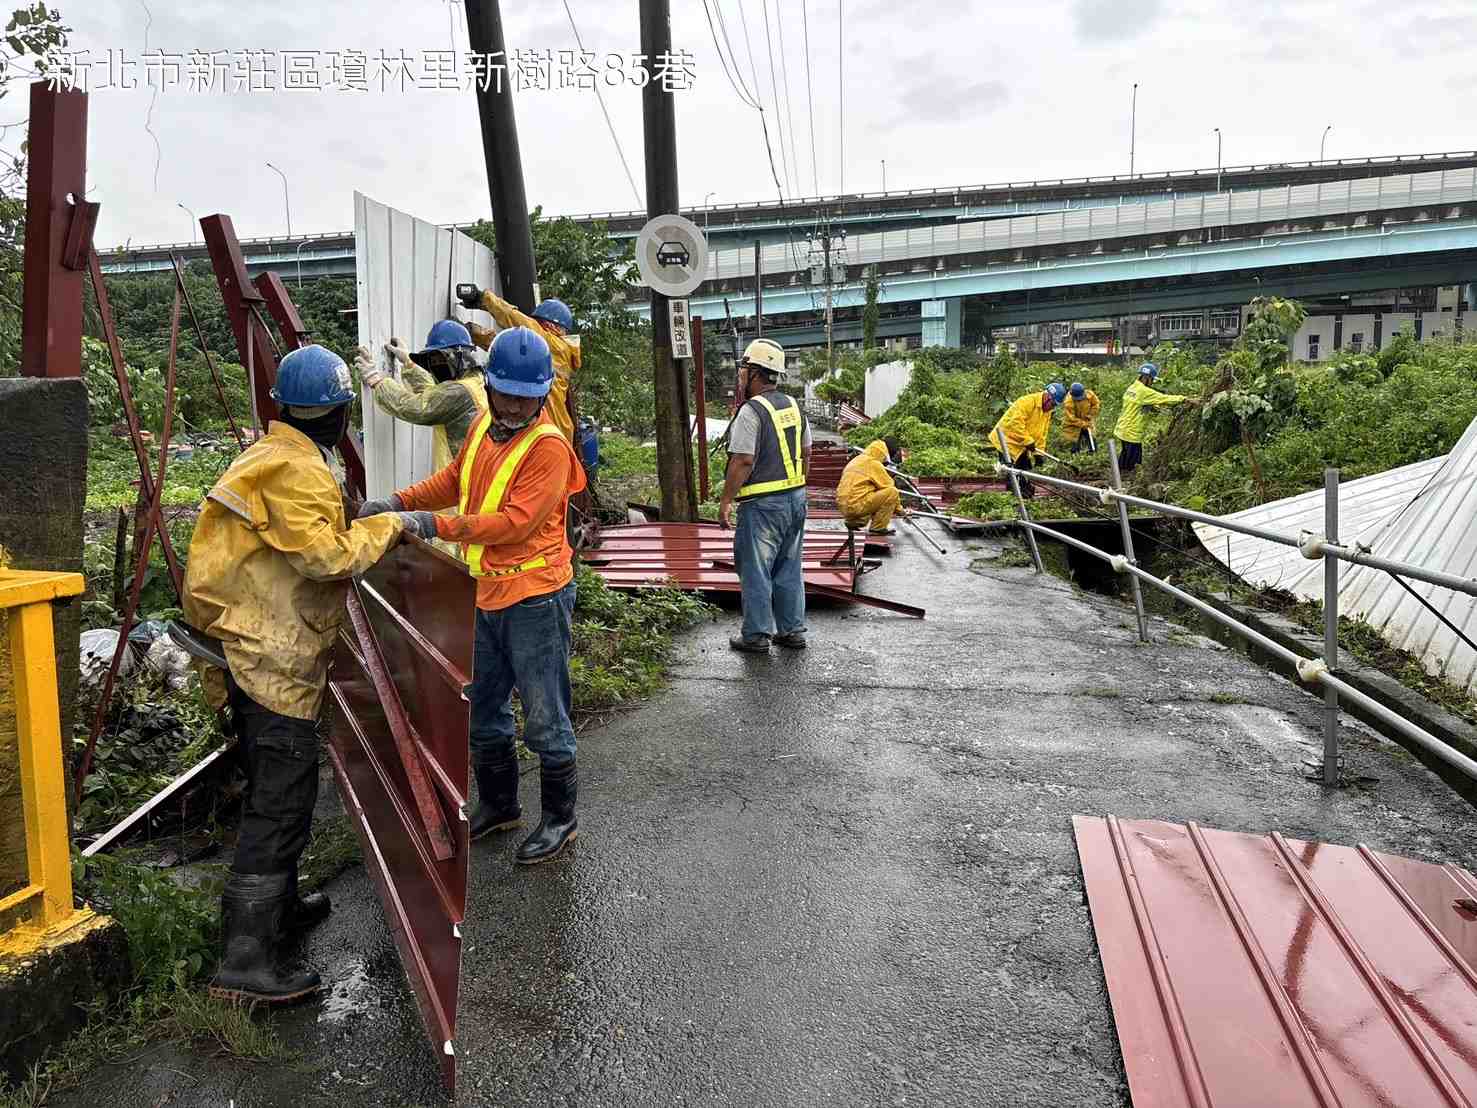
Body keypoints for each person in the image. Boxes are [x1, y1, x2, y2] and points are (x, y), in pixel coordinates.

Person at [182, 344, 428, 1006]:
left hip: (240, 638)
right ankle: (245, 961)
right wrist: (392, 524)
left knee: (271, 780)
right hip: (268, 651)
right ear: (342, 412)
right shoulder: (299, 469)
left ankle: (281, 908)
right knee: (282, 797)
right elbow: (325, 558)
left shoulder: (275, 451)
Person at [359, 327, 587, 865]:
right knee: (483, 707)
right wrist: (397, 499)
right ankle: (501, 805)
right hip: (485, 592)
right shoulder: (486, 421)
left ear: (540, 394)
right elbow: (455, 479)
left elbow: (514, 523)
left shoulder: (549, 448)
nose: (511, 406)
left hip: (534, 596)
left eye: (524, 398)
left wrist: (428, 524)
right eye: (504, 393)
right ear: (490, 384)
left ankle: (560, 818)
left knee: (544, 713)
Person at [718, 338, 811, 654]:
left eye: (744, 368)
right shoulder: (795, 406)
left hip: (761, 505)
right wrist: (796, 487)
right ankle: (791, 631)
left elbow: (742, 460)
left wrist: (726, 500)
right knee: (788, 566)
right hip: (795, 499)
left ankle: (756, 635)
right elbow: (806, 452)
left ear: (756, 372)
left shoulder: (751, 411)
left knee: (756, 569)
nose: (741, 374)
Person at [355, 319, 488, 473]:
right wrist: (408, 363)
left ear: (459, 357)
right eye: (432, 360)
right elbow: (435, 396)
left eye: (440, 358)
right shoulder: (475, 381)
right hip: (467, 480)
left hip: (460, 486)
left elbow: (418, 407)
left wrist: (376, 381)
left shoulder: (460, 391)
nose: (436, 366)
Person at [458, 286, 579, 446]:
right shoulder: (557, 351)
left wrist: (483, 298)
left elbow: (514, 318)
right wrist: (472, 333)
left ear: (545, 325)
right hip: (550, 429)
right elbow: (508, 350)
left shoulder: (555, 345)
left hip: (547, 434)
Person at [1113, 362, 1192, 473]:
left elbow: (1138, 403)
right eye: (1152, 379)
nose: (1152, 382)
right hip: (1132, 432)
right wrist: (1185, 399)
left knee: (1125, 456)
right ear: (1147, 378)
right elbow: (1164, 398)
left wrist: (1153, 407)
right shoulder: (1144, 391)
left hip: (1122, 429)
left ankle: (1119, 476)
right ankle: (1129, 482)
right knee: (1135, 465)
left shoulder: (1132, 387)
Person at [991, 383, 1066, 499]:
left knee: (1025, 471)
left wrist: (1038, 454)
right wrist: (1028, 441)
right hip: (1007, 440)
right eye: (1052, 404)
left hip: (1022, 444)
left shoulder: (1047, 411)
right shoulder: (1026, 402)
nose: (1052, 407)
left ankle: (1024, 494)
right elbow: (1015, 424)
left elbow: (1042, 434)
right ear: (1047, 397)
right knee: (1011, 471)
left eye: (1055, 405)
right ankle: (1014, 500)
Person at [836, 437, 905, 535]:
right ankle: (878, 528)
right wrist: (901, 511)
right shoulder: (873, 464)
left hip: (843, 506)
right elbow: (889, 487)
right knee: (892, 492)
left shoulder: (856, 460)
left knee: (868, 492)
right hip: (856, 505)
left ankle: (853, 522)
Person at [1062, 382, 1100, 453]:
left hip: (1087, 420)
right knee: (1074, 442)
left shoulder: (1090, 395)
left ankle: (1093, 453)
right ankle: (1075, 454)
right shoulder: (1068, 402)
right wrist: (1083, 424)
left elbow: (1096, 405)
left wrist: (1090, 415)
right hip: (1073, 424)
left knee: (1091, 438)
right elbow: (1071, 418)